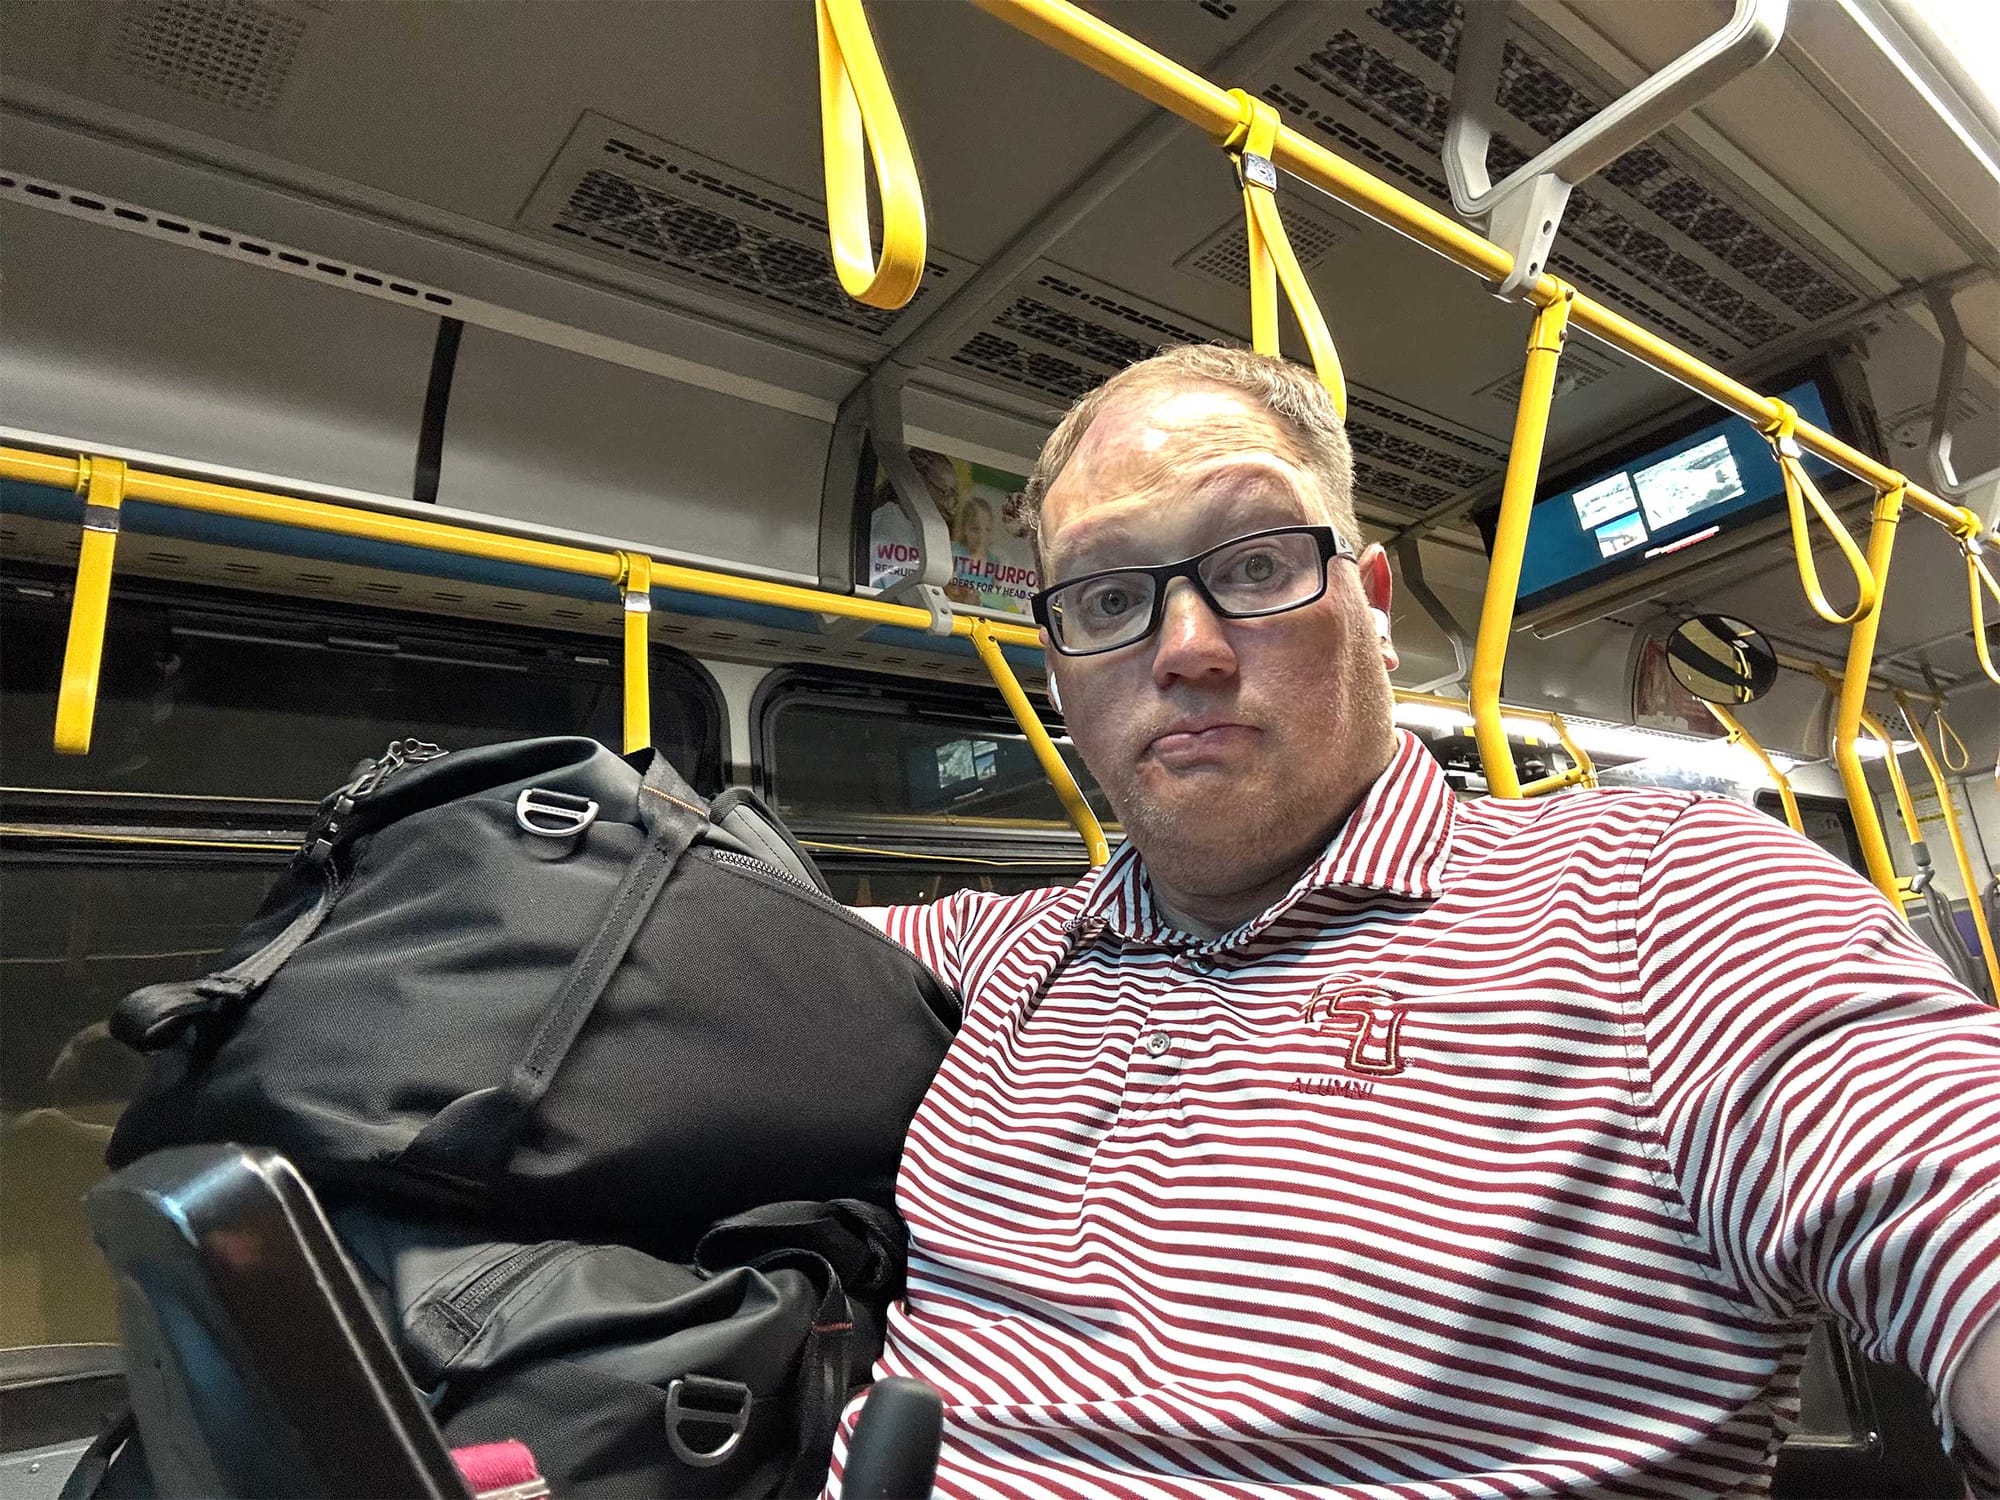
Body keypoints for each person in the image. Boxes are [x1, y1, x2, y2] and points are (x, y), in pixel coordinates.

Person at [843, 343, 2000, 1498]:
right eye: (1105, 598)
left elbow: (1948, 1181)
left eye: (1252, 566)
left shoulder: (1659, 905)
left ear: (1374, 607)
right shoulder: (986, 956)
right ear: (1058, 669)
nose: (1183, 647)